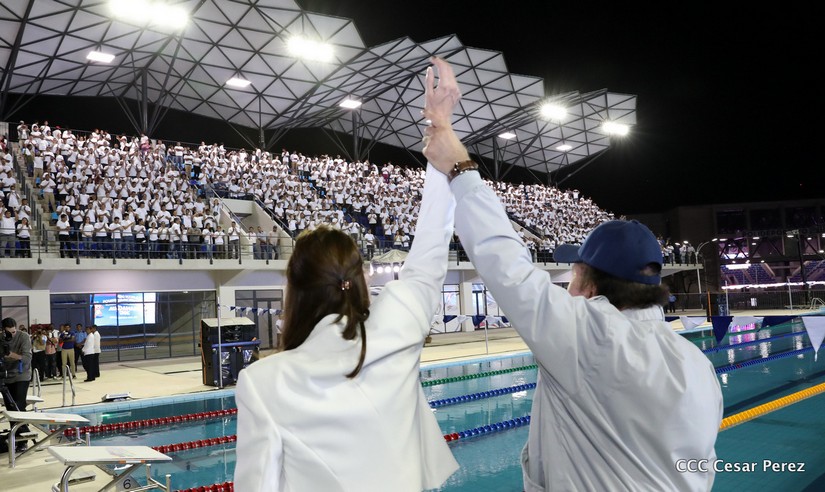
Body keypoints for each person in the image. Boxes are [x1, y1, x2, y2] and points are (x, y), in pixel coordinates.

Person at [420, 57, 723, 491]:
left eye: (575, 273)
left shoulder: (590, 337)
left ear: (592, 281)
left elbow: (505, 263)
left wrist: (457, 162)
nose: (569, 287)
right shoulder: (697, 364)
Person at [234, 132, 459, 489]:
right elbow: (430, 253)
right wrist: (443, 150)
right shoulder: (397, 330)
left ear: (295, 291)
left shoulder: (263, 383)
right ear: (357, 280)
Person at [2, 317, 32, 450]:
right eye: (8, 333)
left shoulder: (23, 337)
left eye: (13, 332)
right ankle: (16, 436)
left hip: (21, 375)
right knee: (10, 409)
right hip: (5, 376)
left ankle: (23, 440)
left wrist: (9, 354)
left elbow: (26, 358)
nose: (12, 335)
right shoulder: (1, 338)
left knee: (18, 406)